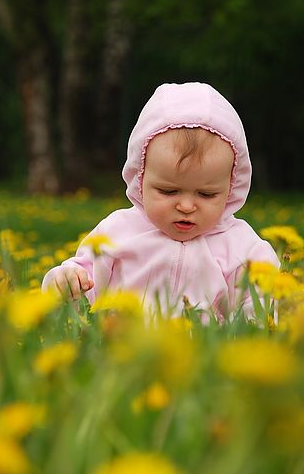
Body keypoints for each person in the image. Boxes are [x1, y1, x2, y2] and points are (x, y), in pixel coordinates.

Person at [42, 82, 280, 320]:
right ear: (140, 178)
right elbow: (84, 283)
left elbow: (261, 304)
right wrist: (65, 282)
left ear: (231, 188)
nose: (186, 206)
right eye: (168, 191)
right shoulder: (117, 232)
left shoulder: (241, 246)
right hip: (122, 348)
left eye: (206, 194)